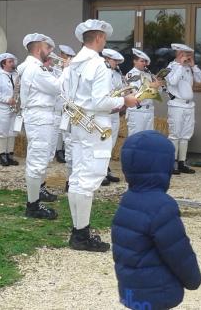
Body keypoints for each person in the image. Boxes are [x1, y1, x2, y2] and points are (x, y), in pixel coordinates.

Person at [64, 19, 139, 252]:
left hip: (78, 124)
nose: (105, 42)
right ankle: (81, 235)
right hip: (94, 125)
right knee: (88, 179)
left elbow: (65, 93)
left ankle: (79, 230)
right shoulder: (97, 65)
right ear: (98, 38)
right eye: (104, 38)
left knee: (77, 178)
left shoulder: (73, 63)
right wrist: (124, 100)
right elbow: (99, 101)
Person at [112, 130, 201, 309]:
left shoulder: (128, 199)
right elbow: (178, 251)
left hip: (132, 290)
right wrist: (193, 279)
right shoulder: (162, 206)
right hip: (158, 292)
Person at [18, 33, 62, 219]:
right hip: (39, 116)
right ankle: (33, 206)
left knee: (42, 158)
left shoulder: (36, 67)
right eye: (48, 48)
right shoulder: (35, 68)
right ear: (38, 49)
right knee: (36, 161)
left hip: (43, 115)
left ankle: (35, 200)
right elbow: (58, 87)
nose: (51, 52)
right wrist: (68, 69)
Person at [165, 43, 201, 175]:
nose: (188, 57)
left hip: (189, 105)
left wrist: (193, 66)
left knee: (185, 135)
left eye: (189, 55)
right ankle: (171, 164)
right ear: (179, 54)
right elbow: (172, 82)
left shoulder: (189, 67)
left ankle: (182, 162)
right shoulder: (171, 67)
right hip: (177, 105)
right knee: (175, 135)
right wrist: (181, 66)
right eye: (186, 54)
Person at [101, 48, 125, 185]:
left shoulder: (116, 75)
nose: (117, 63)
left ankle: (106, 169)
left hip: (114, 113)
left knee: (111, 143)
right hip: (105, 113)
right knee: (103, 143)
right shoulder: (102, 72)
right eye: (115, 60)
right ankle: (100, 173)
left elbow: (120, 91)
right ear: (107, 59)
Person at [125, 48, 162, 136]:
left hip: (149, 110)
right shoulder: (131, 75)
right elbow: (136, 95)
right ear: (135, 61)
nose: (144, 64)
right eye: (142, 61)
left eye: (145, 61)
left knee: (147, 139)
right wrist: (150, 86)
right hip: (137, 111)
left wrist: (157, 86)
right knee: (136, 139)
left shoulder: (148, 74)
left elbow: (157, 94)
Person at [0, 52, 18, 166]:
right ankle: (3, 156)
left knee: (12, 132)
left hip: (14, 108)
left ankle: (10, 155)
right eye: (10, 62)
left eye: (13, 61)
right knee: (2, 132)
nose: (13, 63)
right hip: (2, 108)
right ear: (3, 64)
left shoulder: (16, 75)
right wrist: (7, 100)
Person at [53, 44, 76, 164]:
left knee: (66, 128)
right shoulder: (56, 68)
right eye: (64, 56)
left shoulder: (73, 69)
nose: (65, 58)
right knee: (58, 128)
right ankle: (58, 150)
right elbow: (56, 83)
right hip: (58, 102)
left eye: (68, 57)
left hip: (68, 103)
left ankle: (65, 150)